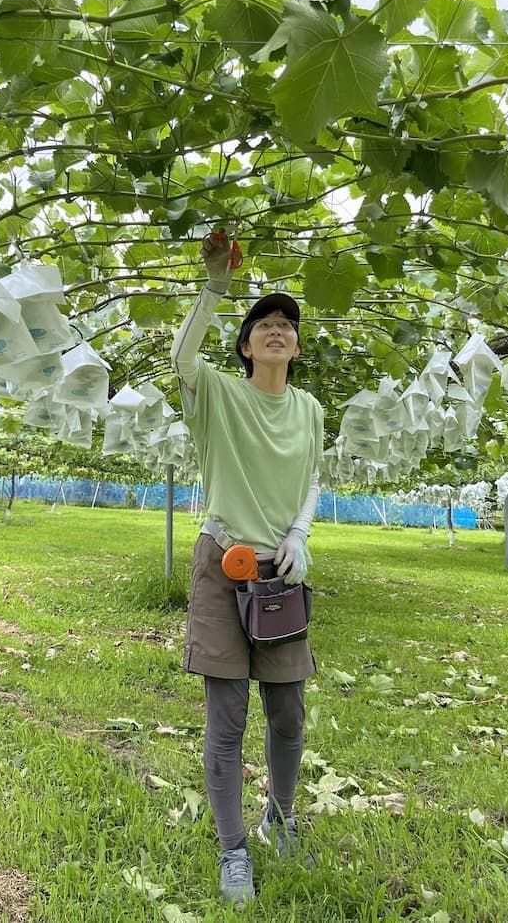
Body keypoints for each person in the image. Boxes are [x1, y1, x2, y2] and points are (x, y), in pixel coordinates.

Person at [170, 230, 324, 906]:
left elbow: (314, 477)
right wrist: (214, 288)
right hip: (223, 562)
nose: (276, 330)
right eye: (262, 324)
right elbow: (180, 358)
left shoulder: (311, 410)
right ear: (244, 345)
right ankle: (234, 850)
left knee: (287, 712)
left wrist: (300, 532)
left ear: (295, 346)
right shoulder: (218, 399)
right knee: (227, 716)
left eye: (286, 324)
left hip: (281, 575)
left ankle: (280, 819)